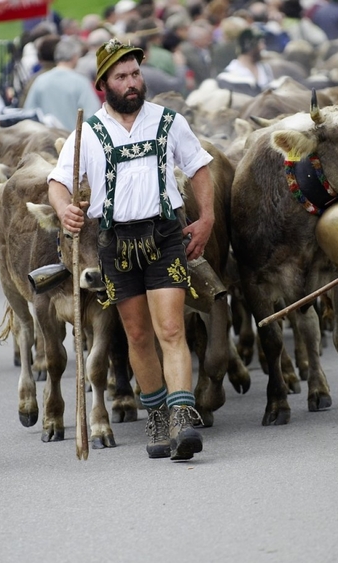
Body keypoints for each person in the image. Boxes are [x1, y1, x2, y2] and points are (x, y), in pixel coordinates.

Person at [47, 39, 214, 461]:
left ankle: (181, 418)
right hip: (115, 241)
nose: (132, 82)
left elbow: (198, 167)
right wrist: (65, 208)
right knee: (137, 334)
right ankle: (156, 414)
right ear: (104, 84)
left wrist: (208, 217)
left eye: (136, 74)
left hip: (163, 235)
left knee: (171, 329)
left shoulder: (168, 121)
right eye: (121, 76)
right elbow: (57, 182)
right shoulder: (87, 133)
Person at [23, 36, 101, 130]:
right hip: (73, 140)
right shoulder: (81, 82)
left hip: (46, 141)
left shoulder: (40, 80)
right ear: (75, 57)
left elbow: (29, 112)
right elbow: (92, 114)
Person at [216, 27, 275, 96]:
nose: (263, 47)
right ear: (249, 46)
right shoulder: (230, 73)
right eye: (260, 43)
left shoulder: (265, 69)